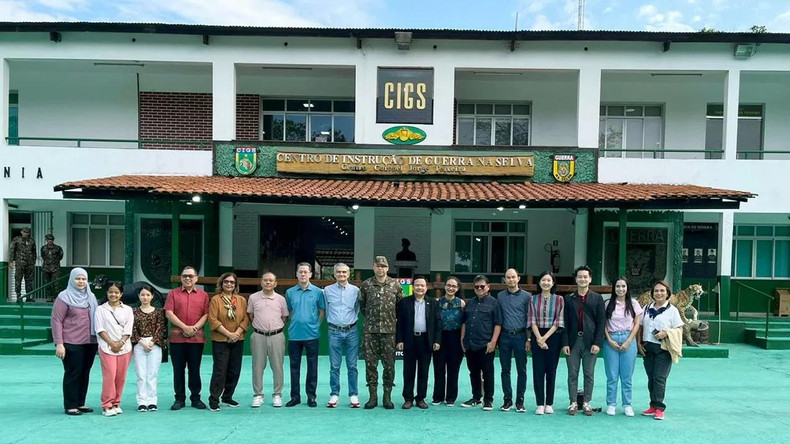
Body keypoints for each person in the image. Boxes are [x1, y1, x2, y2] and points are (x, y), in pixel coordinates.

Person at [51, 267, 99, 416]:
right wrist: (59, 343)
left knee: (85, 372)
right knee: (73, 372)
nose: (81, 282)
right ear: (72, 279)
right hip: (71, 342)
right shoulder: (64, 297)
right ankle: (70, 405)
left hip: (90, 342)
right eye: (78, 278)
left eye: (84, 279)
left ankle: (80, 403)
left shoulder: (91, 297)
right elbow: (56, 320)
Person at [359, 255, 403, 409]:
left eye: (383, 266)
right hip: (370, 332)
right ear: (373, 267)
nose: (380, 269)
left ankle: (387, 397)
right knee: (370, 365)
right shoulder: (366, 285)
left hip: (389, 332)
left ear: (388, 268)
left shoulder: (395, 286)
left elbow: (400, 307)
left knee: (389, 365)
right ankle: (372, 397)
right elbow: (362, 306)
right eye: (378, 266)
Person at [164, 266, 210, 411]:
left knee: (194, 369)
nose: (188, 278)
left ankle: (196, 398)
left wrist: (194, 328)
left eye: (191, 276)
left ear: (196, 278)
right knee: (178, 369)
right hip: (177, 339)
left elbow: (206, 315)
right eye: (185, 276)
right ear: (181, 278)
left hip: (196, 339)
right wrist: (185, 327)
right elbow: (169, 313)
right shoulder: (173, 294)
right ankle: (179, 399)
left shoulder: (203, 295)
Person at [562, 265, 605, 416]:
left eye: (585, 276)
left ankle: (587, 402)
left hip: (590, 341)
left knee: (589, 373)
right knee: (572, 373)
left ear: (590, 279)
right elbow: (565, 322)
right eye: (580, 276)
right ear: (576, 279)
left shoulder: (597, 298)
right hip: (573, 341)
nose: (582, 279)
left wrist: (598, 343)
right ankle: (573, 402)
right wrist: (565, 342)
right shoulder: (568, 299)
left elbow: (601, 323)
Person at [638, 281, 684, 421]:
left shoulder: (672, 310)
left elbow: (680, 329)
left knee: (659, 378)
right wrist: (639, 343)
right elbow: (639, 326)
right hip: (648, 347)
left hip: (663, 348)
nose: (659, 293)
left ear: (667, 293)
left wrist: (666, 333)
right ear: (652, 293)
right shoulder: (646, 308)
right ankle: (652, 405)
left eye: (662, 291)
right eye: (656, 291)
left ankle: (659, 408)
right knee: (651, 377)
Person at [396, 276, 441, 409]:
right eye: (417, 285)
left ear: (426, 288)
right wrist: (399, 340)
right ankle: (408, 398)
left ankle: (421, 398)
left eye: (422, 285)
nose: (420, 288)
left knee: (423, 371)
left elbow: (438, 323)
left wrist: (437, 341)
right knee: (408, 370)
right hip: (410, 340)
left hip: (425, 340)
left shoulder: (433, 303)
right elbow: (400, 324)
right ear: (413, 287)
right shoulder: (404, 302)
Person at [207, 272, 249, 412]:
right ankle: (214, 398)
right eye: (226, 282)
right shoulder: (215, 300)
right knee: (220, 369)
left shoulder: (241, 300)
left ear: (235, 285)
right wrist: (228, 334)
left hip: (238, 338)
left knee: (234, 369)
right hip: (220, 339)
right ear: (221, 283)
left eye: (232, 282)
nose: (229, 284)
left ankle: (227, 396)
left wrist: (236, 333)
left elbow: (245, 319)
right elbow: (213, 319)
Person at [285, 262, 325, 408]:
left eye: (305, 272)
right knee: (294, 367)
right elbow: (289, 311)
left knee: (312, 367)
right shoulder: (290, 292)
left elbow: (321, 311)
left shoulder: (318, 292)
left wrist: (315, 325)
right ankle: (295, 397)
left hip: (312, 336)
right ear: (296, 274)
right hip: (294, 335)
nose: (303, 274)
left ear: (310, 274)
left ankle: (311, 397)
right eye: (300, 272)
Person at [460, 275, 502, 411]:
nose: (479, 288)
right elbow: (464, 322)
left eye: (482, 286)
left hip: (486, 344)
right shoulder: (470, 303)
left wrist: (493, 341)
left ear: (488, 287)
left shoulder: (494, 303)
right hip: (470, 343)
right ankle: (476, 397)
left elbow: (498, 324)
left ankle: (488, 400)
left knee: (488, 372)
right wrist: (462, 340)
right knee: (473, 372)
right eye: (476, 286)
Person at [603, 277, 643, 417]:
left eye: (623, 286)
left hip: (628, 338)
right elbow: (604, 324)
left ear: (627, 288)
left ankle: (627, 404)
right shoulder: (608, 303)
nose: (620, 289)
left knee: (627, 376)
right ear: (614, 288)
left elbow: (637, 323)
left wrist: (629, 341)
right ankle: (611, 404)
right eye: (618, 286)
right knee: (612, 375)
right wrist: (609, 340)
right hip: (611, 339)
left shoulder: (634, 303)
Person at [248, 272, 289, 408]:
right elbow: (251, 315)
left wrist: (275, 328)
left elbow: (284, 317)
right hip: (258, 335)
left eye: (271, 280)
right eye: (265, 280)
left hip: (277, 336)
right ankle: (258, 395)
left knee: (277, 366)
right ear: (261, 282)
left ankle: (277, 394)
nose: (268, 282)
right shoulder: (253, 298)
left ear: (275, 283)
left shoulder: (281, 299)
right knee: (258, 366)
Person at [323, 263, 361, 408]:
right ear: (334, 274)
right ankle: (334, 394)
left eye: (344, 272)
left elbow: (357, 308)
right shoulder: (327, 290)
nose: (341, 274)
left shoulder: (355, 290)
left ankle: (353, 395)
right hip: (334, 331)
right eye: (338, 272)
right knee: (334, 365)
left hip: (352, 331)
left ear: (349, 273)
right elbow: (326, 308)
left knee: (352, 365)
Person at [528, 271, 565, 415]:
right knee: (538, 371)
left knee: (551, 371)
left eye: (549, 280)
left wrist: (545, 338)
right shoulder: (533, 299)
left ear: (553, 283)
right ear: (539, 282)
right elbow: (532, 320)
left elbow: (559, 321)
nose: (546, 283)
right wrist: (539, 338)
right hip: (537, 334)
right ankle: (539, 403)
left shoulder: (560, 299)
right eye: (543, 280)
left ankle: (549, 403)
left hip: (553, 336)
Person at [95, 282, 134, 417]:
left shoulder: (128, 310)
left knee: (121, 376)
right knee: (110, 375)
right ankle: (107, 404)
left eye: (116, 292)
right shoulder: (100, 309)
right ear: (107, 293)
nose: (113, 294)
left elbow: (128, 329)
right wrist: (112, 343)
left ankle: (117, 402)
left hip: (125, 347)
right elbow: (99, 329)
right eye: (111, 292)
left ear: (121, 294)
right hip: (107, 347)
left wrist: (121, 342)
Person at [497, 268, 531, 413]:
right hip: (504, 335)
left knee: (521, 369)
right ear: (505, 279)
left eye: (513, 277)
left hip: (521, 336)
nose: (510, 280)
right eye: (508, 277)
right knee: (505, 369)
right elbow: (497, 318)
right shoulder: (499, 296)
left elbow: (530, 318)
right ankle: (507, 399)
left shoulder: (527, 296)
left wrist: (529, 338)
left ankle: (520, 400)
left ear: (518, 278)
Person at [131, 284, 167, 412]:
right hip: (139, 344)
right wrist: (141, 342)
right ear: (139, 296)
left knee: (152, 374)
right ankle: (141, 401)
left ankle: (152, 401)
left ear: (152, 296)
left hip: (154, 344)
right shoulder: (133, 311)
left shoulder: (158, 311)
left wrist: (152, 342)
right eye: (142, 295)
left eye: (147, 295)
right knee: (141, 374)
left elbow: (161, 328)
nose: (145, 297)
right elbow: (132, 329)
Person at [431, 276, 466, 407]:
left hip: (456, 338)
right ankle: (438, 396)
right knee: (439, 368)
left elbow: (464, 323)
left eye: (454, 286)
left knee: (453, 369)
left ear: (457, 288)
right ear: (444, 286)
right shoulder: (436, 302)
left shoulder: (461, 304)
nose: (451, 288)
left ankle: (451, 397)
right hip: (440, 338)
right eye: (449, 285)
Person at [10, 227, 36, 300]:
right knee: (18, 279)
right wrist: (11, 261)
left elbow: (34, 252)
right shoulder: (17, 239)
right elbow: (12, 250)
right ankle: (18, 296)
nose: (25, 233)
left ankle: (28, 297)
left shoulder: (31, 241)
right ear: (21, 232)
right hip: (20, 263)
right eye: (24, 232)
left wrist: (33, 261)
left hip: (29, 264)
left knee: (29, 280)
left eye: (27, 232)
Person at [40, 233, 64, 301]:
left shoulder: (58, 248)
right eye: (48, 239)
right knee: (47, 283)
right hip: (46, 268)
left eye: (51, 239)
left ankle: (57, 297)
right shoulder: (43, 248)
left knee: (56, 283)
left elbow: (60, 257)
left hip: (55, 268)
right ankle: (49, 297)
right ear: (46, 240)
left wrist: (54, 262)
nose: (50, 241)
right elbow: (43, 256)